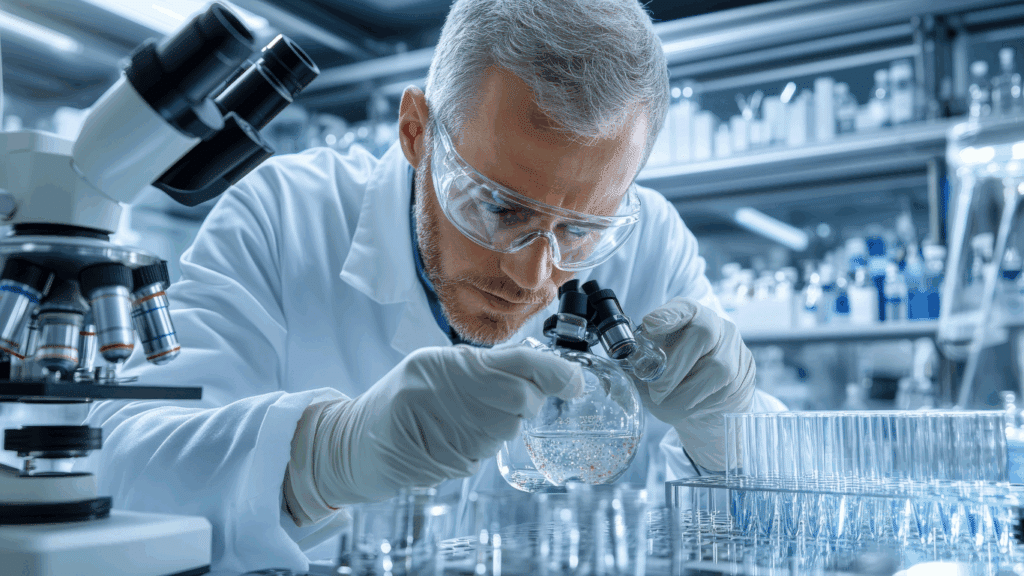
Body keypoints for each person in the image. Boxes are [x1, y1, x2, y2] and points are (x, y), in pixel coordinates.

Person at [83, 0, 782, 572]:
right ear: (417, 132)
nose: (532, 275)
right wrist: (326, 455)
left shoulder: (651, 238)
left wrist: (728, 431)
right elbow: (116, 475)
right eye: (500, 207)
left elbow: (784, 533)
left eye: (579, 231)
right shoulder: (286, 214)